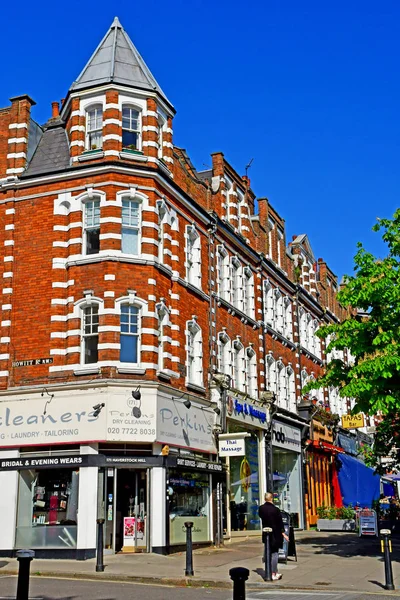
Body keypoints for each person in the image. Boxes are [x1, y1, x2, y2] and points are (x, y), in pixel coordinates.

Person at [258, 492, 289, 581]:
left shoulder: (261, 509)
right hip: (275, 534)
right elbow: (280, 523)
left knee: (268, 552)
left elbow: (261, 516)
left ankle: (269, 571)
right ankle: (273, 573)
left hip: (266, 533)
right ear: (271, 498)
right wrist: (283, 533)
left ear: (265, 499)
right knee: (275, 554)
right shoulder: (275, 510)